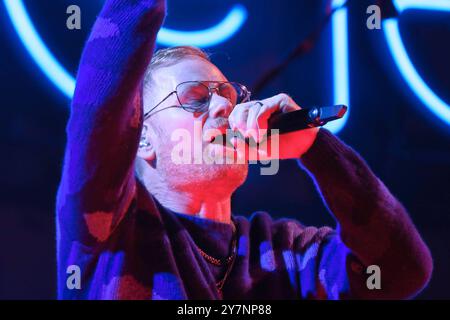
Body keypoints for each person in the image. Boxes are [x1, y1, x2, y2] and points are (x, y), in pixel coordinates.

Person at [56, 0, 432, 299]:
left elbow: (403, 271)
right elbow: (101, 109)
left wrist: (317, 148)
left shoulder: (287, 254)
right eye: (195, 99)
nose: (224, 107)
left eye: (228, 96)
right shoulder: (116, 230)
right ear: (143, 139)